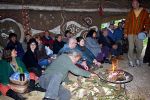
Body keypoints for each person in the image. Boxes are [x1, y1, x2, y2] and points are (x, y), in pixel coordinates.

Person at [124, 0, 149, 67]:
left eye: (135, 3)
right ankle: (131, 60)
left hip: (139, 33)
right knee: (131, 48)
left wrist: (146, 30)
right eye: (133, 3)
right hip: (130, 32)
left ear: (138, 4)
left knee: (140, 47)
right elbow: (127, 23)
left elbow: (147, 22)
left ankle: (138, 59)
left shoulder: (144, 12)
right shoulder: (130, 13)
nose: (134, 5)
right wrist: (125, 32)